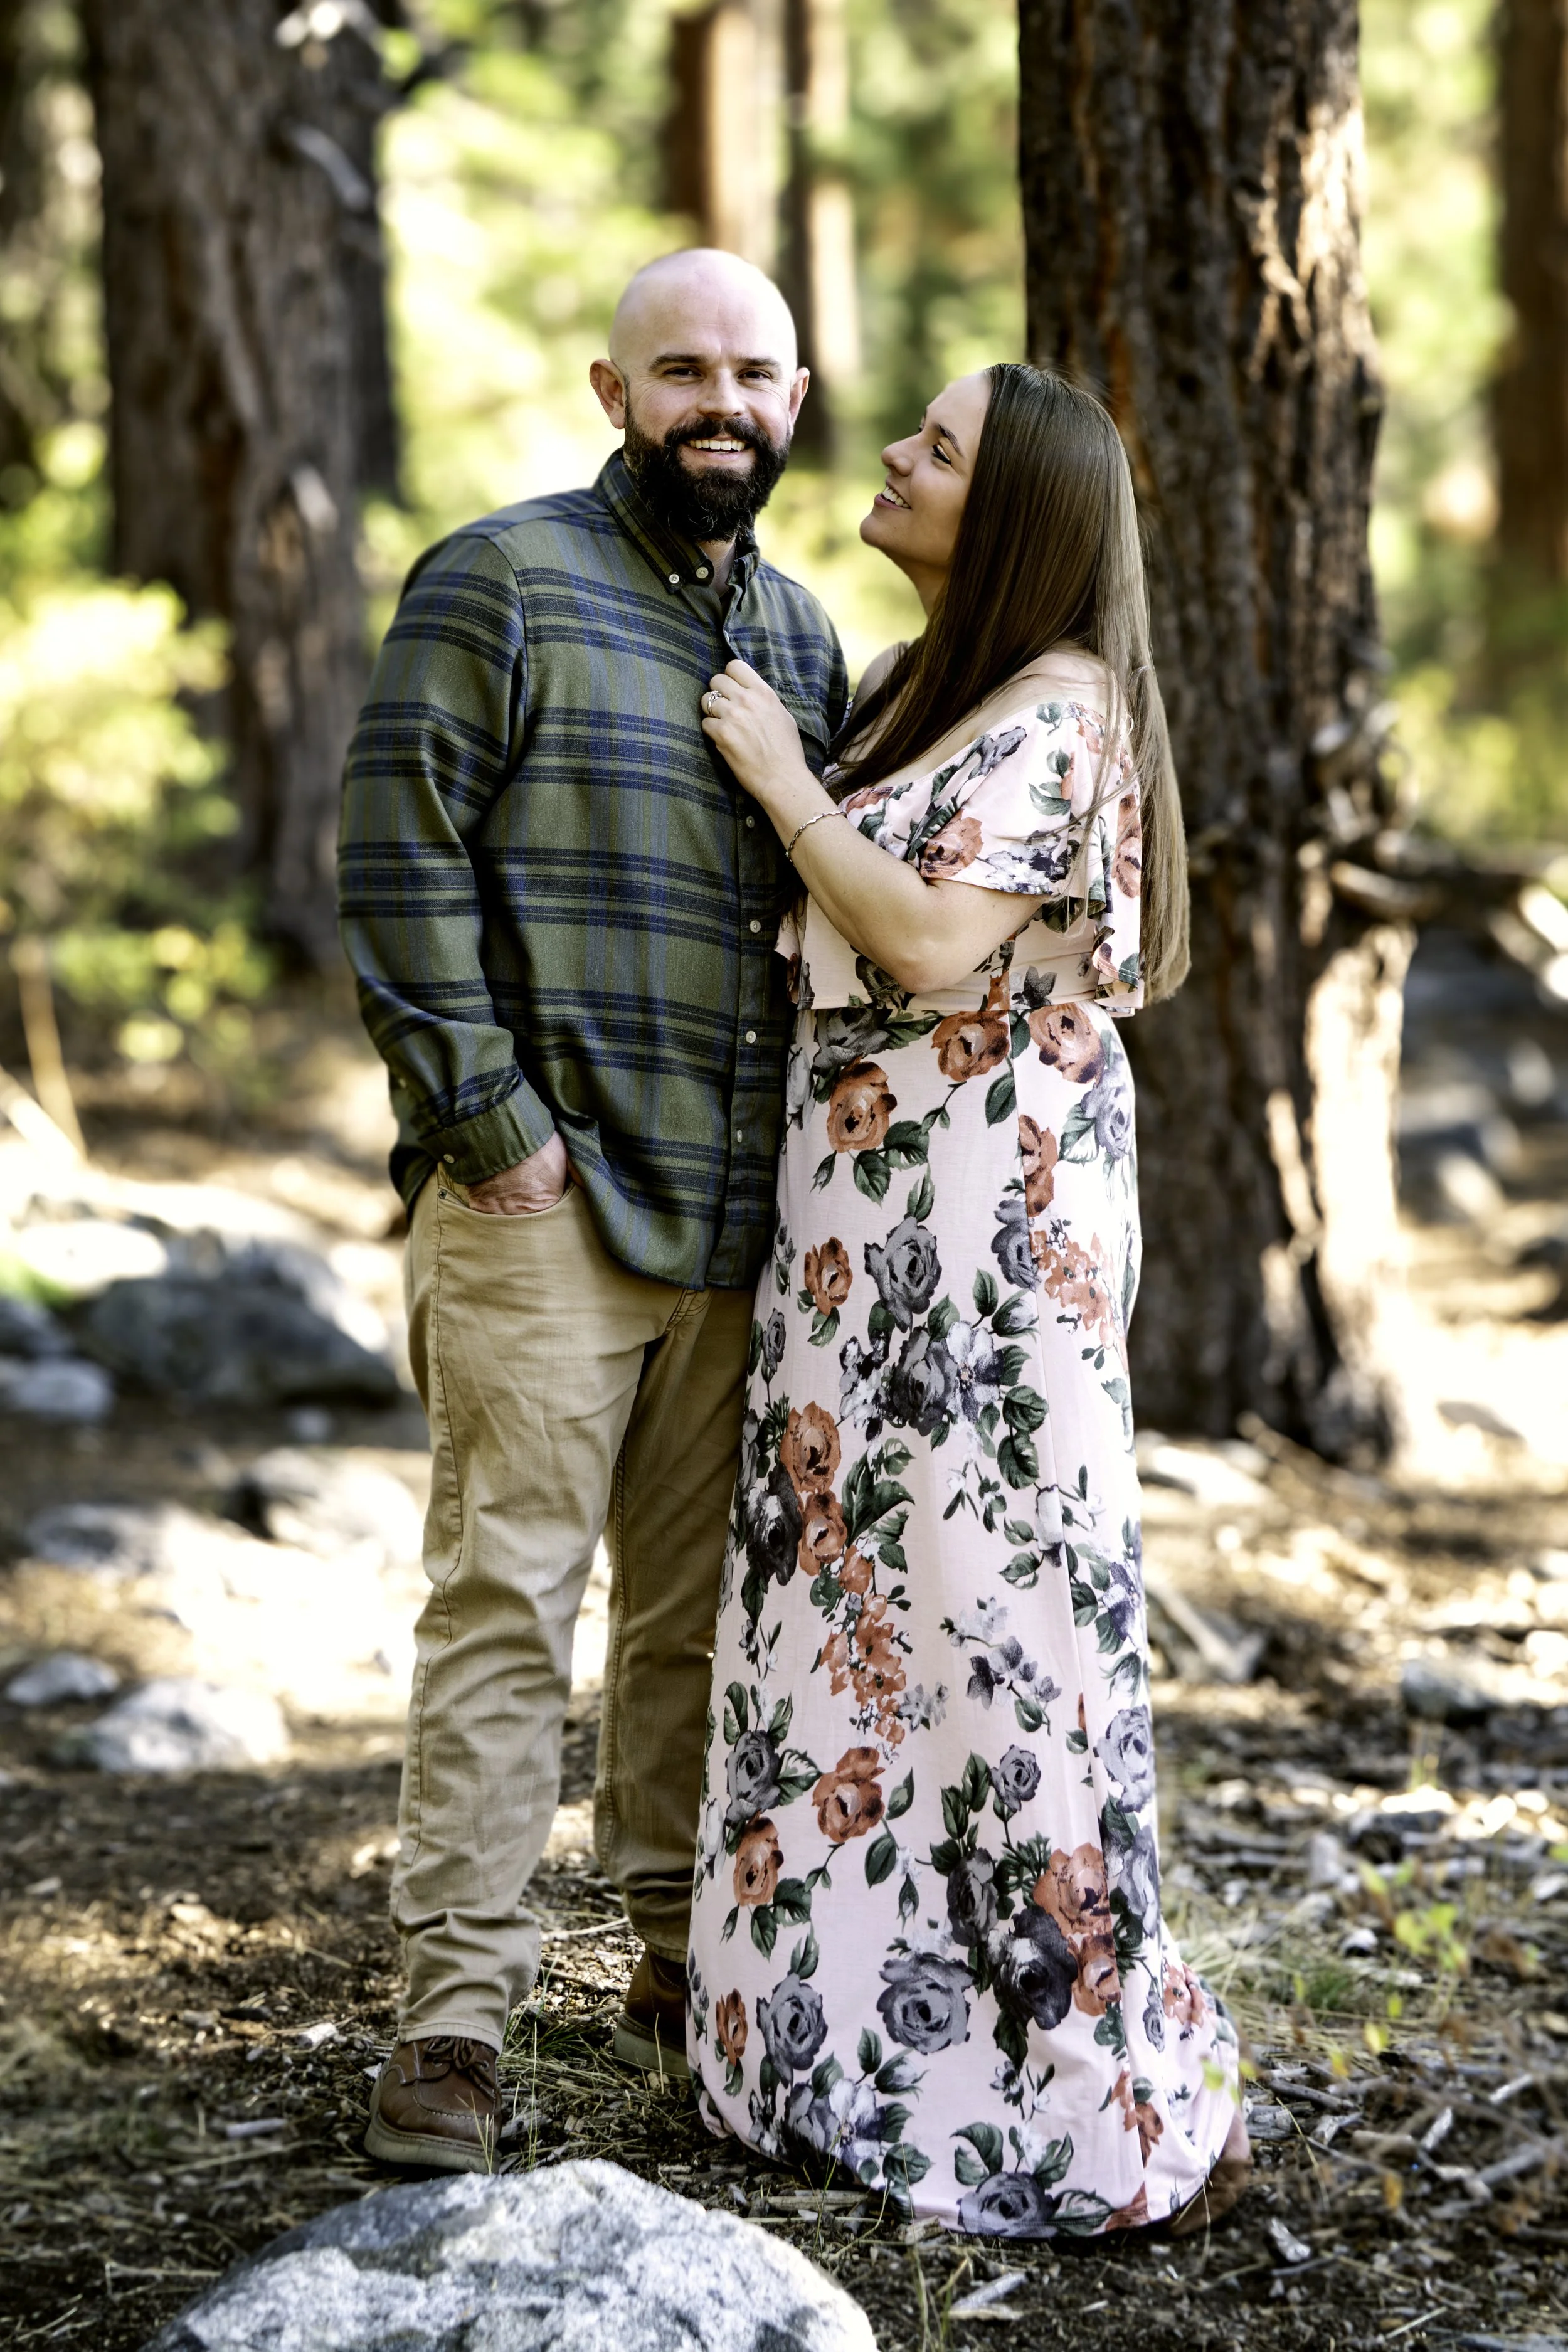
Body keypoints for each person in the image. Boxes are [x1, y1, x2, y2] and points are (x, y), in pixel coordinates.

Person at [684, 363, 1251, 2238]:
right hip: (871, 1241)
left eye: (934, 448)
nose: (896, 458)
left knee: (993, 1615)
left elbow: (927, 943)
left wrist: (777, 782)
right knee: (863, 1620)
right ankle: (831, 2039)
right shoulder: (935, 693)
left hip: (982, 1244)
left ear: (1007, 511)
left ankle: (1049, 2062)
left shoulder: (1065, 712)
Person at [339, 249, 847, 2171]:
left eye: (755, 374)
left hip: (736, 1219)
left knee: (695, 1624)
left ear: (794, 399)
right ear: (609, 387)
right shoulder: (499, 577)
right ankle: (451, 2026)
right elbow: (397, 859)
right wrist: (487, 1122)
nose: (720, 403)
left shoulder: (799, 640)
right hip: (544, 1196)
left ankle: (674, 1961)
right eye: (681, 370)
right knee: (504, 1606)